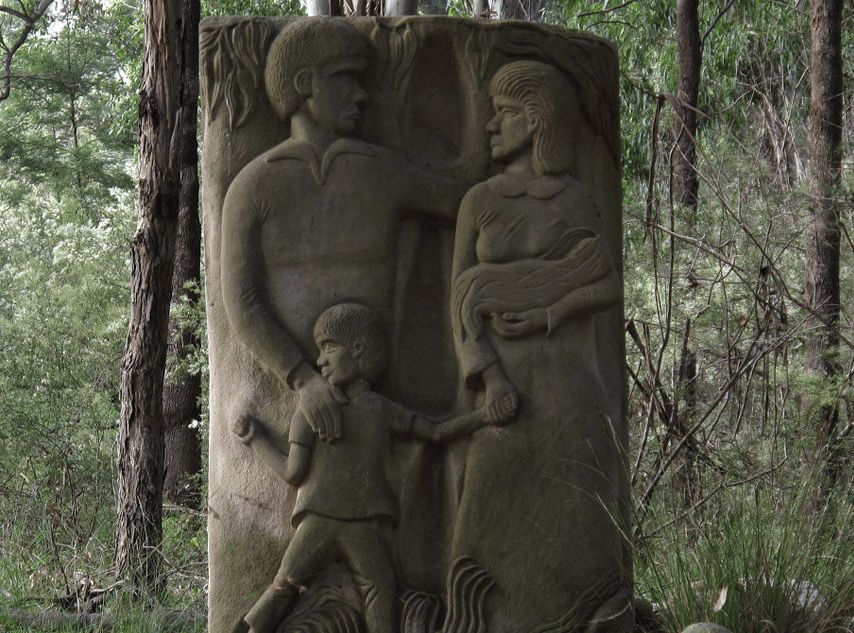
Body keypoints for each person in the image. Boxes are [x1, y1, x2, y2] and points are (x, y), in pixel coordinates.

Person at [219, 18, 474, 444]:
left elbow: (466, 203)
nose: (361, 94)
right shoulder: (253, 187)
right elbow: (242, 299)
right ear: (304, 83)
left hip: (384, 403)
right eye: (345, 78)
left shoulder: (381, 172)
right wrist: (303, 380)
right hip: (306, 407)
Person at [446, 60, 632, 633]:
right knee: (485, 510)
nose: (490, 126)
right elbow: (459, 300)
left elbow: (606, 284)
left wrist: (550, 312)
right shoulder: (479, 201)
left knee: (580, 514)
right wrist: (489, 376)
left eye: (503, 114)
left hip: (570, 391)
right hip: (504, 392)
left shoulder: (573, 198)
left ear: (535, 121)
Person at [233, 302, 500, 633]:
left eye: (328, 348)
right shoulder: (311, 411)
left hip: (362, 520)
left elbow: (434, 432)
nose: (319, 360)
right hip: (321, 518)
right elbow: (294, 473)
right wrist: (256, 439)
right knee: (289, 583)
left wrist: (483, 416)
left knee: (379, 588)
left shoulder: (380, 409)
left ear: (358, 349)